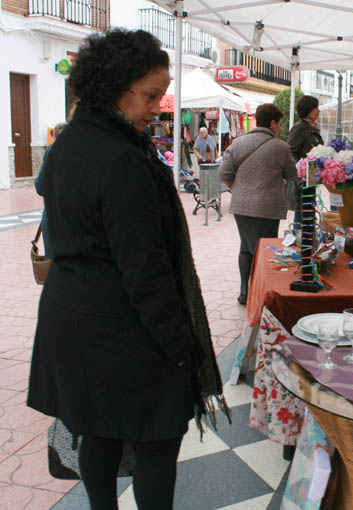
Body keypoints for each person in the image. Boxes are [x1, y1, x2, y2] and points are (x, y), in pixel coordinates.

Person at [26, 29, 228, 510]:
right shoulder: (122, 159)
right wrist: (179, 344)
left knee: (97, 430)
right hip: (123, 326)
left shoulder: (70, 141)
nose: (158, 106)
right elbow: (146, 269)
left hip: (70, 315)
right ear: (114, 85)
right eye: (152, 94)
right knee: (156, 439)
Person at [219, 103, 297, 305]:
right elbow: (292, 175)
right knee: (265, 250)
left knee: (246, 248)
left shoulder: (237, 143)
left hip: (241, 206)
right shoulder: (280, 147)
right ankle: (262, 293)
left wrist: (239, 188)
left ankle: (244, 291)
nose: (279, 127)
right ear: (272, 123)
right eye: (279, 123)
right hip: (267, 207)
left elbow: (224, 173)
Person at [288, 95, 324, 225]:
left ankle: (307, 237)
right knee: (303, 211)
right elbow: (290, 151)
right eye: (316, 108)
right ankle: (299, 236)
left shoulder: (312, 127)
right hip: (303, 177)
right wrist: (300, 169)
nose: (318, 111)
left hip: (311, 176)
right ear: (309, 110)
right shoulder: (300, 128)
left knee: (309, 209)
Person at [34, 121, 67, 260]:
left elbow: (41, 186)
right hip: (82, 222)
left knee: (54, 269)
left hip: (54, 219)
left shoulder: (52, 150)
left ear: (54, 135)